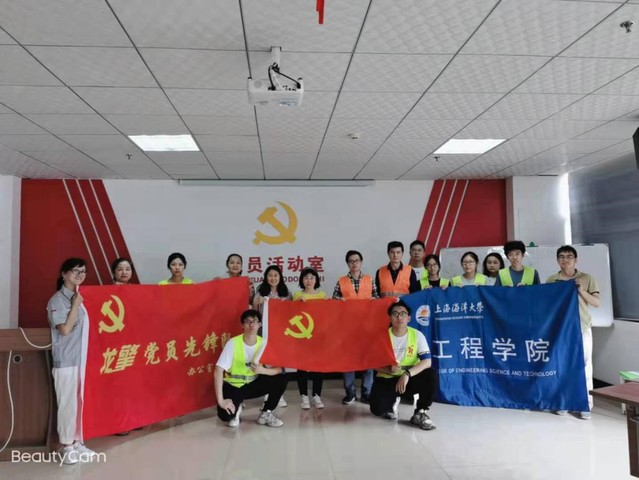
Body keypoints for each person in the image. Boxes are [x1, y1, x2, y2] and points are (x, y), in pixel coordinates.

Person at [47, 258, 98, 465]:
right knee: (68, 404)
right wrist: (76, 305)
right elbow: (65, 330)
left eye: (83, 271)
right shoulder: (57, 300)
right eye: (76, 271)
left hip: (82, 361)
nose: (80, 275)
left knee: (81, 403)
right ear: (64, 274)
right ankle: (67, 446)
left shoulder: (82, 297)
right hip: (66, 361)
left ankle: (78, 442)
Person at [546, 246, 600, 420]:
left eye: (569, 256)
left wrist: (581, 291)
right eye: (561, 257)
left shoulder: (586, 278)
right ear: (557, 260)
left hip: (582, 326)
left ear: (576, 260)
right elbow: (548, 304)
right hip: (560, 328)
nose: (565, 260)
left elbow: (596, 303)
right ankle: (564, 401)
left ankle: (585, 405)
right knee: (561, 366)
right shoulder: (552, 280)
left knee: (584, 366)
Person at [369, 300, 438, 430]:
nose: (399, 317)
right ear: (390, 318)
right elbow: (371, 363)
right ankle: (392, 402)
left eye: (403, 314)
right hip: (387, 378)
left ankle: (420, 412)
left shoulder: (417, 335)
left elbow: (427, 361)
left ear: (409, 318)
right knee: (377, 410)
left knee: (431, 375)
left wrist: (407, 374)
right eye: (395, 314)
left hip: (409, 379)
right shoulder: (381, 337)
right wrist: (387, 370)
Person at [214, 310, 287, 428]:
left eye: (255, 321)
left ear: (260, 324)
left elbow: (280, 369)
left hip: (254, 384)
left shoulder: (264, 343)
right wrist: (221, 401)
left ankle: (266, 413)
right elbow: (218, 371)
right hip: (234, 386)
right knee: (225, 416)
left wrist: (263, 371)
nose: (252, 325)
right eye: (247, 322)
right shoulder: (233, 343)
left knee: (281, 379)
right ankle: (237, 407)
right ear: (242, 325)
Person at [332, 250, 379, 405]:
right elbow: (333, 302)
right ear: (347, 263)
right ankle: (350, 393)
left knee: (368, 361)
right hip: (348, 328)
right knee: (348, 361)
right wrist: (340, 301)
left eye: (357, 260)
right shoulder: (341, 281)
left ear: (361, 262)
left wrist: (374, 301)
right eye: (351, 261)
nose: (354, 263)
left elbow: (377, 299)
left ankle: (367, 393)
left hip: (367, 327)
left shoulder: (369, 279)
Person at [252, 265, 291, 407]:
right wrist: (258, 302)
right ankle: (267, 392)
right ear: (266, 277)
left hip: (280, 333)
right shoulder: (260, 292)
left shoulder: (286, 293)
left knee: (279, 362)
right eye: (270, 275)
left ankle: (278, 393)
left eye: (275, 275)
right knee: (265, 360)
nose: (273, 278)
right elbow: (255, 312)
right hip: (264, 333)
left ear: (280, 277)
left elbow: (292, 313)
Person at [293, 267, 326, 409]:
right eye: (306, 277)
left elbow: (327, 315)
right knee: (302, 367)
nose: (309, 280)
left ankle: (317, 395)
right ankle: (304, 396)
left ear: (316, 280)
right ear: (302, 280)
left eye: (312, 277)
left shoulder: (322, 295)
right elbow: (291, 315)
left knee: (318, 366)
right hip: (302, 336)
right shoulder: (297, 295)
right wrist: (297, 303)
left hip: (318, 335)